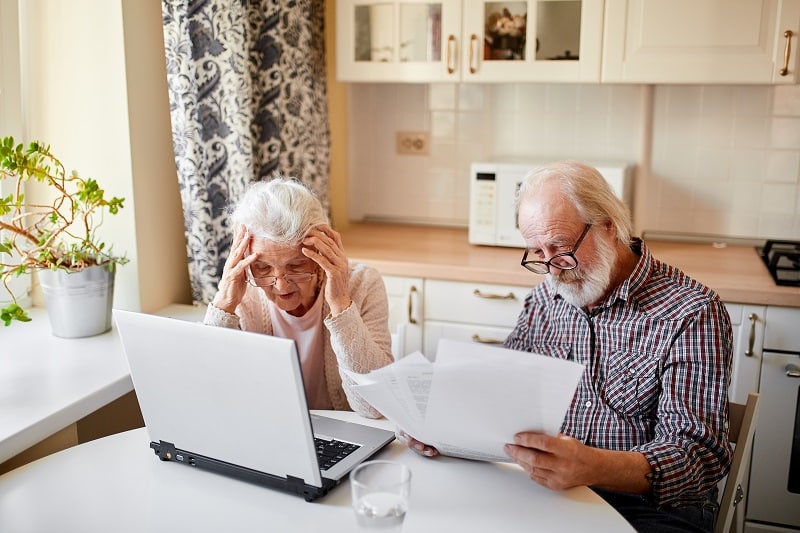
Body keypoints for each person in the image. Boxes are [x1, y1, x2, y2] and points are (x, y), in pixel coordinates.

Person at [400, 162, 733, 532]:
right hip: (545, 488)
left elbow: (698, 457)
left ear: (610, 227)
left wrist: (593, 466)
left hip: (648, 507)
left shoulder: (692, 312)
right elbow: (501, 386)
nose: (553, 270)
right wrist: (442, 425)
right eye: (537, 253)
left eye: (560, 247)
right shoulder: (548, 294)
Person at [203, 176, 393, 418]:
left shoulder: (363, 283)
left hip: (345, 436)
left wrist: (341, 305)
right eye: (263, 268)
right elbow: (210, 395)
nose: (281, 285)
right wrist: (223, 305)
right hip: (269, 431)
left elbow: (374, 407)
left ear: (321, 251)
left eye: (296, 266)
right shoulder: (240, 290)